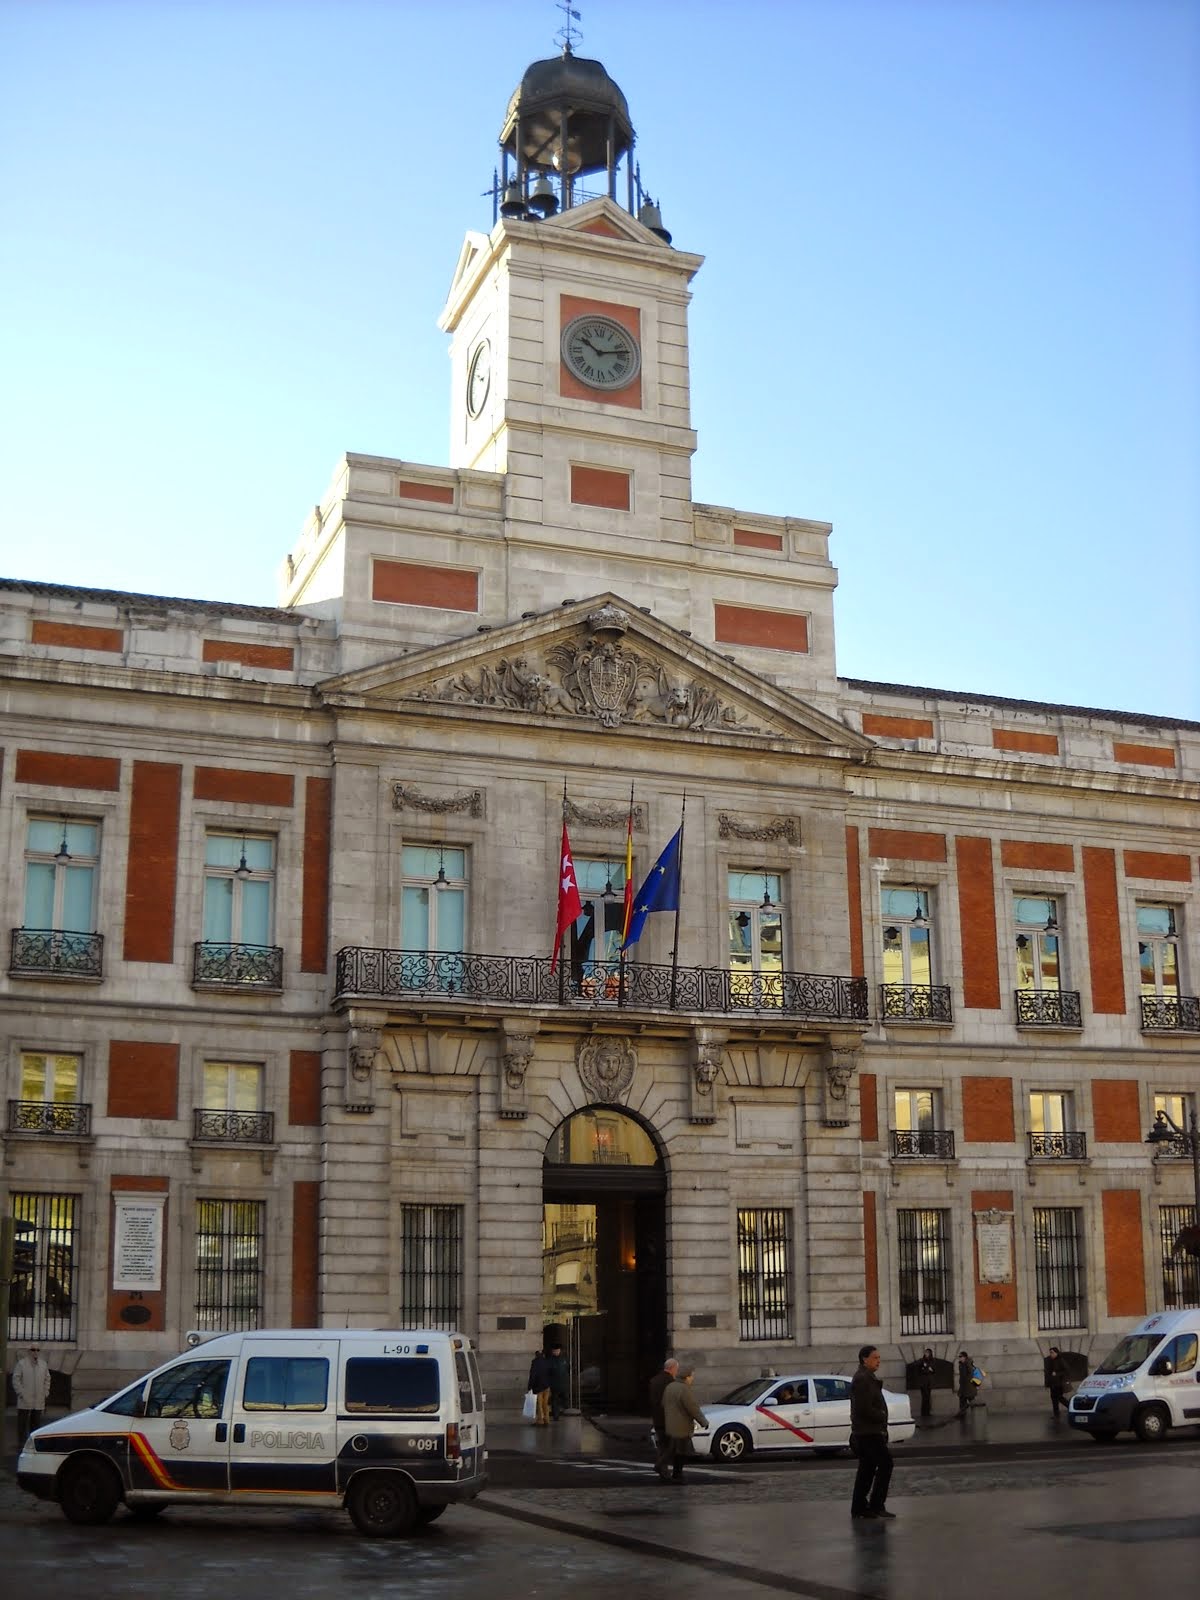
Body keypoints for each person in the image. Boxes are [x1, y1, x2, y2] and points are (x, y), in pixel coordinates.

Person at [849, 1344, 895, 1520]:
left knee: (867, 1469)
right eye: (875, 1358)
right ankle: (876, 1504)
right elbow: (864, 1408)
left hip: (869, 1431)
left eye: (879, 1358)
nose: (878, 1361)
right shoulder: (862, 1378)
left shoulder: (867, 1376)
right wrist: (881, 1415)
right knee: (885, 1464)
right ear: (864, 1359)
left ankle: (860, 1506)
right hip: (868, 1432)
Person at [661, 1363, 708, 1483]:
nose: (692, 1378)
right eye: (692, 1376)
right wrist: (703, 1422)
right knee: (681, 1452)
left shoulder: (670, 1386)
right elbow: (693, 1408)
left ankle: (665, 1468)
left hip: (671, 1424)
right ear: (686, 1377)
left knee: (673, 1450)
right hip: (682, 1425)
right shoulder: (684, 1389)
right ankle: (677, 1475)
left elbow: (663, 1404)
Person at [13, 1344, 52, 1447]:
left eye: (37, 1350)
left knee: (36, 1424)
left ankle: (33, 1444)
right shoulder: (21, 1364)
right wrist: (21, 1393)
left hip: (38, 1399)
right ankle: (21, 1444)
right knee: (22, 1423)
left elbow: (47, 1378)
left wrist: (45, 1392)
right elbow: (16, 1379)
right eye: (33, 1349)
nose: (35, 1352)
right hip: (25, 1400)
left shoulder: (43, 1364)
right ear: (29, 1351)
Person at [647, 1356, 679, 1480]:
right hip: (669, 1419)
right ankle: (660, 1465)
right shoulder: (672, 1382)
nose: (676, 1371)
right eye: (676, 1369)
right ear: (672, 1368)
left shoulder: (654, 1380)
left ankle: (664, 1472)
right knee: (673, 1445)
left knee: (662, 1445)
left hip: (657, 1418)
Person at [527, 1347, 552, 1426]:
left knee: (539, 1404)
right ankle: (547, 1420)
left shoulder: (535, 1362)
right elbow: (550, 1373)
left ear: (536, 1355)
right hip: (547, 1386)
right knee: (545, 1403)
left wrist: (530, 1386)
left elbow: (532, 1375)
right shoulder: (547, 1362)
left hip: (538, 1387)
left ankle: (540, 1420)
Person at [546, 1342, 570, 1420]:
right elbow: (547, 1372)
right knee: (554, 1400)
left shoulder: (565, 1359)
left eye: (557, 1350)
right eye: (554, 1351)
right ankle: (556, 1416)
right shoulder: (549, 1360)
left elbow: (568, 1368)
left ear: (560, 1350)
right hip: (554, 1384)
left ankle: (565, 1409)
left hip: (564, 1383)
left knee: (565, 1398)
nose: (556, 1352)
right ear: (552, 1351)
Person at [1046, 1346, 1070, 1418]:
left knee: (1059, 1397)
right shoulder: (1051, 1361)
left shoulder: (1061, 1360)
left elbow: (1067, 1370)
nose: (1051, 1354)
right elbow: (1049, 1372)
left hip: (1059, 1383)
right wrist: (1048, 1383)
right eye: (1050, 1353)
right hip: (1053, 1383)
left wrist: (1057, 1374)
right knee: (1054, 1398)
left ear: (1056, 1353)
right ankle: (1056, 1414)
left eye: (1052, 1353)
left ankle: (1071, 1407)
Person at [917, 1348, 936, 1418]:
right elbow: (920, 1369)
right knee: (924, 1397)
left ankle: (927, 1412)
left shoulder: (932, 1360)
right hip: (923, 1382)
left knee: (928, 1397)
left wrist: (926, 1367)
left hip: (929, 1382)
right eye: (925, 1353)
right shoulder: (922, 1360)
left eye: (927, 1353)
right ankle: (923, 1412)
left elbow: (933, 1370)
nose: (926, 1354)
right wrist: (927, 1369)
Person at [956, 1351, 974, 1416]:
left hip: (968, 1386)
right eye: (959, 1357)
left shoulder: (968, 1364)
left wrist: (966, 1381)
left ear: (965, 1357)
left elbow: (970, 1374)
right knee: (962, 1399)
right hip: (963, 1386)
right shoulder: (961, 1364)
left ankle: (975, 1415)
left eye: (961, 1357)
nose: (960, 1358)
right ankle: (962, 1414)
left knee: (971, 1400)